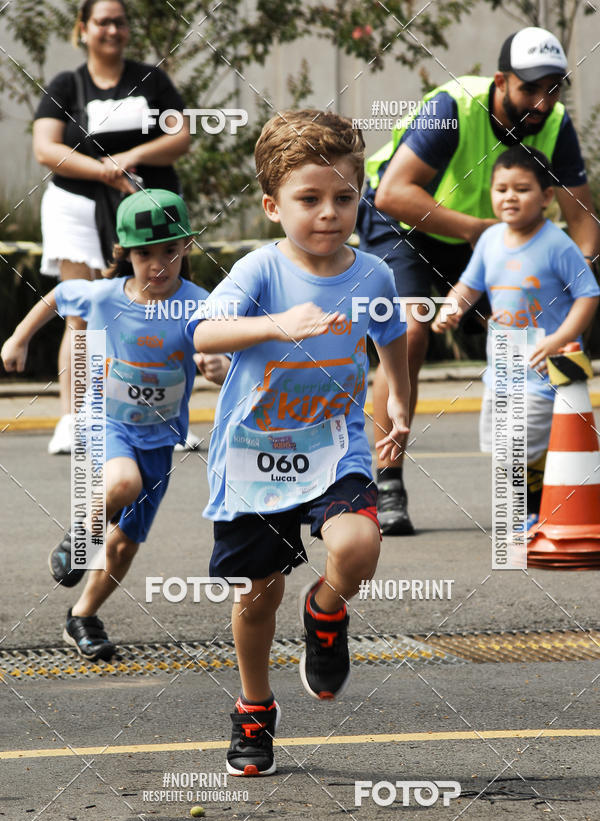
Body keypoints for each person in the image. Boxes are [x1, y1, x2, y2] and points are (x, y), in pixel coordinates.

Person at [189, 110, 411, 776]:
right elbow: (200, 333)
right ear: (272, 204)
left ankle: (326, 610)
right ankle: (254, 705)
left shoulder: (373, 274)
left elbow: (390, 337)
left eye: (345, 197)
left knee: (358, 545)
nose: (329, 213)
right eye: (309, 199)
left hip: (334, 445)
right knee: (258, 593)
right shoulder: (260, 270)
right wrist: (275, 324)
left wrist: (397, 396)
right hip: (255, 455)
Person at [357, 26, 600, 535]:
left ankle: (533, 490)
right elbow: (394, 195)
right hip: (407, 224)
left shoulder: (554, 122)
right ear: (500, 81)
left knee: (527, 328)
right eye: (529, 88)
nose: (541, 100)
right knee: (411, 331)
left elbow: (582, 221)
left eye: (553, 87)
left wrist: (565, 288)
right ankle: (387, 480)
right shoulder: (453, 108)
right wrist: (479, 232)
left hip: (489, 236)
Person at [1, 190, 208, 662]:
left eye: (169, 251)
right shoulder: (105, 295)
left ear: (187, 248)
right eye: (144, 254)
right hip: (107, 421)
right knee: (122, 482)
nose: (158, 265)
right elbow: (57, 295)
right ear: (125, 254)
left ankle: (82, 615)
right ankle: (80, 537)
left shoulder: (199, 303)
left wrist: (215, 361)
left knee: (125, 546)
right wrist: (18, 339)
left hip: (161, 438)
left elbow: (223, 341)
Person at [33, 0, 195, 454]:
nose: (112, 29)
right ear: (83, 29)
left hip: (143, 211)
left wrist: (130, 159)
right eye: (102, 21)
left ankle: (161, 418)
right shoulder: (67, 84)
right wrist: (100, 170)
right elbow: (46, 148)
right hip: (76, 206)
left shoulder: (152, 79)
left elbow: (179, 136)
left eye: (119, 21)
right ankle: (73, 418)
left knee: (155, 307)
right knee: (81, 313)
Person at [432, 145, 600, 526]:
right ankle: (537, 506)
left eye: (521, 189)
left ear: (545, 198)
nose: (509, 196)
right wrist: (451, 309)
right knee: (506, 448)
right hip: (502, 372)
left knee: (516, 448)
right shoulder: (490, 240)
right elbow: (469, 286)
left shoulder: (557, 244)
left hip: (546, 373)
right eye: (501, 188)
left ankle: (527, 513)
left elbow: (588, 294)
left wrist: (561, 338)